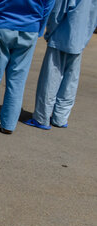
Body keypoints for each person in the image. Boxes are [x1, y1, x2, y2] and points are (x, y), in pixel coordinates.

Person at [0, 0, 56, 134]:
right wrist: (39, 29)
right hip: (30, 29)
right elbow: (48, 6)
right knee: (17, 81)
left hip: (1, 25)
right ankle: (8, 125)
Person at [23, 0, 97, 130]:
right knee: (70, 82)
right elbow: (93, 17)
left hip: (61, 36)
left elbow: (58, 12)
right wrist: (85, 38)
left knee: (50, 78)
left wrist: (49, 32)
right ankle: (61, 118)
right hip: (80, 39)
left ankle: (42, 117)